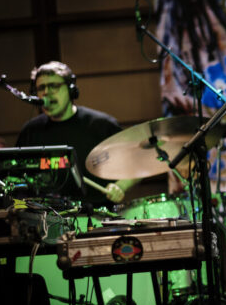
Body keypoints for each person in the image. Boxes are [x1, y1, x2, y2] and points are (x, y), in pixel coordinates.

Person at [16, 61, 139, 206]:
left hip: (98, 214)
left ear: (71, 89)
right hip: (48, 215)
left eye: (54, 86)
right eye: (41, 88)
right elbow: (16, 178)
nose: (46, 93)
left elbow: (138, 161)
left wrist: (120, 186)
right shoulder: (30, 131)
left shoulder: (101, 125)